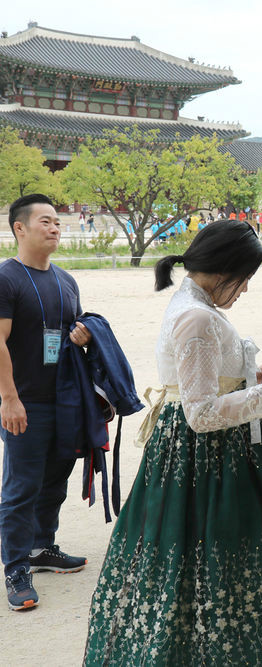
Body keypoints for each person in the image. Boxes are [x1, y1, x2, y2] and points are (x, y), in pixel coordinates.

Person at [83, 220, 262, 665]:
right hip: (208, 457)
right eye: (246, 277)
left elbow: (203, 382)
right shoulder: (196, 316)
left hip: (212, 451)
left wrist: (254, 377)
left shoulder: (194, 304)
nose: (247, 289)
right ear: (224, 269)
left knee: (200, 564)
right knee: (217, 561)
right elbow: (202, 414)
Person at [1, 194, 92, 612]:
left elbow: (73, 331)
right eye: (45, 221)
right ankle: (16, 568)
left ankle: (42, 547)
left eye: (58, 221)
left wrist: (84, 335)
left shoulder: (66, 280)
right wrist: (9, 399)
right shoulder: (7, 278)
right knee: (21, 487)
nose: (55, 227)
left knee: (56, 479)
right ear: (19, 228)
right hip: (25, 402)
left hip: (65, 402)